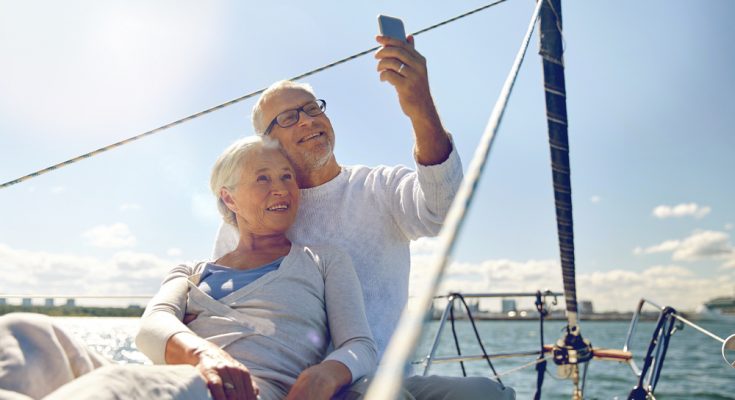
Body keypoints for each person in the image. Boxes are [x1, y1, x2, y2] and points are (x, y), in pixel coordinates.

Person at [212, 35, 515, 399]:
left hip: (383, 376)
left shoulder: (379, 186)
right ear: (266, 143)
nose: (308, 121)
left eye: (313, 109)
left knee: (490, 393)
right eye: (289, 117)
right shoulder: (250, 217)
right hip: (293, 387)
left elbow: (444, 211)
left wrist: (419, 108)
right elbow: (222, 309)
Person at [137, 136, 378, 400]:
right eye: (263, 178)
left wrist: (327, 373)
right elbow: (152, 325)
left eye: (287, 177)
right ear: (229, 199)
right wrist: (204, 355)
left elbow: (359, 345)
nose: (282, 189)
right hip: (172, 384)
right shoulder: (189, 272)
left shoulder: (324, 261)